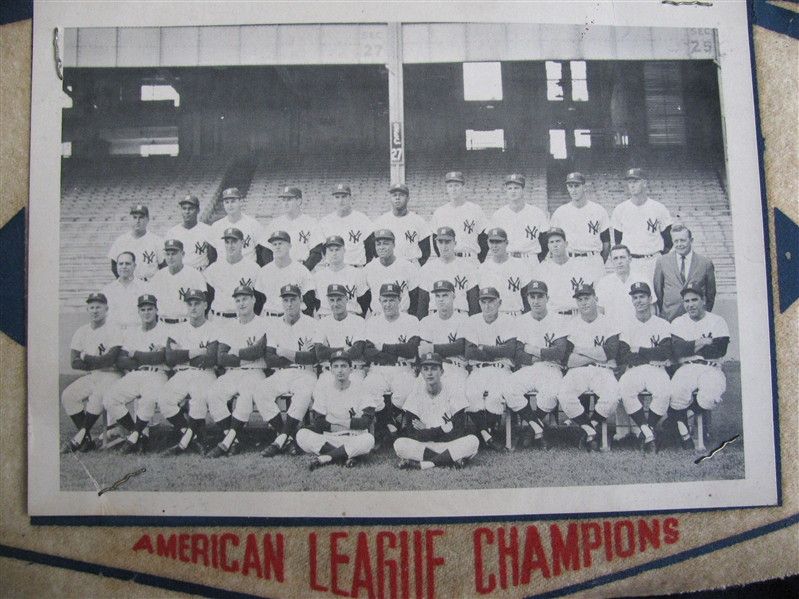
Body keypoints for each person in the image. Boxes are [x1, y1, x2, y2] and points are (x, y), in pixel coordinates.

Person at [501, 281, 570, 449]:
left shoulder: (558, 319)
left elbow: (560, 352)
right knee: (509, 389)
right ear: (527, 299)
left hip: (552, 368)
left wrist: (533, 350)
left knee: (551, 394)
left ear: (547, 298)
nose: (536, 301)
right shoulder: (520, 321)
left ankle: (529, 431)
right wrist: (542, 355)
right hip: (529, 368)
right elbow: (517, 353)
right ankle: (537, 428)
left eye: (540, 296)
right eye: (532, 296)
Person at [102, 294, 171, 454]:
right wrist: (145, 357)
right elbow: (120, 359)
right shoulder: (132, 332)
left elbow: (161, 357)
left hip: (157, 374)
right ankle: (139, 435)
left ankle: (134, 438)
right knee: (109, 399)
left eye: (150, 309)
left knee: (148, 400)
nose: (147, 312)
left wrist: (134, 354)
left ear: (156, 310)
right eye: (143, 309)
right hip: (136, 374)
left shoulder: (165, 330)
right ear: (138, 312)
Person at [557, 284, 622, 451]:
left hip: (602, 371)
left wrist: (579, 351)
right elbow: (568, 360)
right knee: (564, 395)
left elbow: (611, 352)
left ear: (596, 299)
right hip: (578, 371)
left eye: (587, 298)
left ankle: (589, 427)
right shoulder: (570, 324)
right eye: (580, 299)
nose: (583, 303)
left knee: (612, 397)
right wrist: (597, 355)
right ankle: (591, 430)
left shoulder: (609, 322)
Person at [205, 285, 267, 458]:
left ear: (253, 299)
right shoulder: (228, 326)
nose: (241, 303)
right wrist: (246, 355)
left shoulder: (263, 324)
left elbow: (258, 352)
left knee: (246, 395)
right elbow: (221, 358)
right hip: (232, 372)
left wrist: (236, 352)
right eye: (238, 300)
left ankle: (226, 442)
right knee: (214, 394)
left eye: (245, 299)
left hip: (255, 371)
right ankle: (235, 440)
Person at [257, 285, 319, 457]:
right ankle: (289, 438)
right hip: (282, 372)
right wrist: (298, 354)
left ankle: (280, 440)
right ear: (282, 302)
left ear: (301, 301)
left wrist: (284, 352)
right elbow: (270, 359)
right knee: (260, 391)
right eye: (286, 300)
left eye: (293, 299)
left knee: (304, 393)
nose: (290, 304)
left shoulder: (312, 323)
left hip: (305, 372)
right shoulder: (274, 325)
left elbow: (313, 358)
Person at [394, 353, 480, 470]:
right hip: (425, 446)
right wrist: (442, 430)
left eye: (434, 369)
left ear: (442, 372)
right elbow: (413, 434)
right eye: (425, 369)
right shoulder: (415, 396)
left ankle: (425, 464)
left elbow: (458, 432)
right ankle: (450, 460)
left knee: (472, 441)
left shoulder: (453, 394)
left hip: (449, 445)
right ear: (421, 373)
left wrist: (426, 430)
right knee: (400, 444)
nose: (429, 373)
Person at [159, 289, 219, 455]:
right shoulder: (177, 329)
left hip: (204, 372)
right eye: (190, 304)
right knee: (164, 399)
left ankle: (187, 441)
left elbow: (210, 359)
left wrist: (182, 353)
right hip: (182, 373)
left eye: (197, 303)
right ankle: (192, 435)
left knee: (199, 398)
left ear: (205, 305)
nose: (193, 307)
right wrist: (197, 351)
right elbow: (170, 359)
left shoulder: (213, 329)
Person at [669, 286, 730, 449]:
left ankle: (682, 419)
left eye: (694, 300)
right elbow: (677, 350)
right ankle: (683, 431)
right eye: (687, 301)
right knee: (675, 394)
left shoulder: (717, 321)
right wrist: (703, 341)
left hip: (711, 367)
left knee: (710, 396)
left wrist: (690, 346)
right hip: (687, 367)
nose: (691, 304)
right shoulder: (679, 322)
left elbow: (719, 349)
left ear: (703, 300)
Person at [61, 293, 123, 453]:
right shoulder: (81, 331)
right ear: (87, 309)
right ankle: (87, 439)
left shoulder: (113, 329)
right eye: (92, 307)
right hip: (93, 373)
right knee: (68, 395)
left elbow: (110, 360)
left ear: (106, 309)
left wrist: (86, 357)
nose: (95, 311)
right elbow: (74, 362)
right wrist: (96, 362)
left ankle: (79, 437)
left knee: (97, 396)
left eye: (99, 307)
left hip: (113, 374)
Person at [297, 350, 377, 470]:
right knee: (302, 435)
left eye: (344, 366)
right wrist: (350, 423)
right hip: (330, 438)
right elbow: (319, 423)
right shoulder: (324, 391)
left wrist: (335, 420)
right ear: (331, 370)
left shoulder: (361, 389)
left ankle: (327, 457)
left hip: (354, 437)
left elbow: (366, 422)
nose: (340, 370)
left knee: (368, 439)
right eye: (336, 366)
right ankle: (345, 456)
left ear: (351, 369)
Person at [460, 286, 518, 452]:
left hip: (502, 369)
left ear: (499, 302)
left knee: (494, 397)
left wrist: (483, 347)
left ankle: (484, 431)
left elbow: (510, 350)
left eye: (491, 301)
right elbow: (469, 351)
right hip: (479, 370)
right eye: (483, 301)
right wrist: (495, 351)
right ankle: (487, 434)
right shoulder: (473, 321)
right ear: (479, 303)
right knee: (470, 395)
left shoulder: (508, 320)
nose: (487, 305)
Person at [617, 282, 673, 452]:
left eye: (642, 296)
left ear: (650, 299)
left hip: (657, 369)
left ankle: (645, 430)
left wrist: (639, 350)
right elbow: (624, 355)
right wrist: (651, 354)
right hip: (634, 370)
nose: (638, 301)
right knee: (625, 390)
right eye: (635, 297)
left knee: (664, 392)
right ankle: (648, 433)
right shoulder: (626, 324)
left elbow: (665, 353)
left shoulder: (662, 324)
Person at [362, 283, 422, 442]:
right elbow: (368, 352)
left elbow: (411, 350)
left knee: (407, 390)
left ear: (399, 300)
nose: (388, 304)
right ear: (380, 301)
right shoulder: (372, 322)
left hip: (403, 370)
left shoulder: (411, 320)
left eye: (392, 300)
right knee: (368, 388)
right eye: (385, 300)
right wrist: (395, 355)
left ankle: (385, 423)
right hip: (378, 370)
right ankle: (389, 424)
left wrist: (383, 348)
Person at [611, 168, 673, 280]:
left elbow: (668, 240)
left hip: (653, 260)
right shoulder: (620, 209)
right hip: (631, 262)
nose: (632, 185)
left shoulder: (658, 208)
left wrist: (657, 256)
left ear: (644, 183)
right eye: (630, 182)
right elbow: (618, 240)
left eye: (635, 181)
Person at [549, 172, 611, 282]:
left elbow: (606, 243)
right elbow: (553, 241)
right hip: (570, 259)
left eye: (577, 186)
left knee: (596, 296)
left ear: (584, 187)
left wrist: (599, 261)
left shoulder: (598, 210)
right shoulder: (560, 212)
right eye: (570, 186)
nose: (573, 190)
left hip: (593, 260)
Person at [653, 224, 717, 322]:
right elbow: (658, 291)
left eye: (683, 240)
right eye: (676, 241)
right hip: (670, 318)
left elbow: (710, 294)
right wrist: (665, 312)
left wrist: (703, 314)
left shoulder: (705, 263)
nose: (679, 244)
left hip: (696, 319)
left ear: (691, 240)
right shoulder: (662, 261)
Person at [313, 284, 368, 387]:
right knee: (319, 394)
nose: (335, 304)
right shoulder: (322, 323)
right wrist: (345, 349)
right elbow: (320, 353)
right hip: (329, 372)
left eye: (339, 299)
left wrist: (329, 350)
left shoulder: (358, 321)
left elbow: (357, 351)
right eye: (332, 300)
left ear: (346, 299)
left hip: (353, 371)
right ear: (328, 301)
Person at [418, 227, 479, 317]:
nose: (444, 246)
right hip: (435, 316)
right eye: (440, 242)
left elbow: (473, 303)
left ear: (455, 243)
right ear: (436, 244)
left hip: (460, 316)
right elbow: (423, 304)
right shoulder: (427, 269)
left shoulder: (468, 267)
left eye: (447, 242)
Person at [418, 280, 469, 387]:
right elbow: (423, 352)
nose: (441, 299)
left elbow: (460, 347)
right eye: (438, 296)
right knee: (418, 391)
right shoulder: (426, 321)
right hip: (433, 369)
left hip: (456, 368)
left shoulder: (464, 320)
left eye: (445, 295)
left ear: (453, 297)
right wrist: (447, 348)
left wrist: (432, 348)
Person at [203, 227, 263, 320]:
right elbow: (208, 296)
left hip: (241, 319)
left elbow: (259, 298)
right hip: (218, 318)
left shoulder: (254, 268)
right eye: (227, 242)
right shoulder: (213, 268)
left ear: (242, 243)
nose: (230, 246)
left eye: (234, 242)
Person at [535, 228, 596, 316]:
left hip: (576, 315)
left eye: (558, 241)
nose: (555, 245)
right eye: (551, 242)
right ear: (548, 246)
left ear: (566, 244)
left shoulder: (581, 266)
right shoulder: (541, 269)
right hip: (553, 316)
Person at [476, 227, 536, 316]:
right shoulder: (482, 268)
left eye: (498, 242)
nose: (494, 246)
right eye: (491, 242)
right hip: (492, 317)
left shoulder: (520, 265)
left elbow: (527, 297)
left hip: (514, 315)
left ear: (506, 243)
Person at [260, 186, 324, 270]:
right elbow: (265, 250)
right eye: (283, 200)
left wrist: (303, 270)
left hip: (302, 266)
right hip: (279, 268)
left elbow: (316, 252)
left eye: (289, 199)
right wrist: (273, 269)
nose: (285, 203)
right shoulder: (275, 223)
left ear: (299, 201)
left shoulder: (311, 222)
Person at [488, 174, 548, 263]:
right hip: (507, 259)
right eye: (510, 188)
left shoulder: (536, 213)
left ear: (523, 190)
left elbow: (545, 240)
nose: (513, 191)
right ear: (506, 191)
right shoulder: (498, 214)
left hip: (529, 259)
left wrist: (538, 258)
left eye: (516, 188)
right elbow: (491, 241)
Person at [429, 172, 487, 263]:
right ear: (447, 188)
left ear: (463, 187)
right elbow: (435, 239)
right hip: (448, 260)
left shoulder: (475, 209)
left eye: (457, 185)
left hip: (469, 258)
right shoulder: (440, 212)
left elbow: (484, 238)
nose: (453, 189)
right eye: (450, 186)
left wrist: (479, 259)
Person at [254, 231, 315, 318]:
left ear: (289, 246)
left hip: (292, 319)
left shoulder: (301, 270)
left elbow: (309, 301)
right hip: (271, 318)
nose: (277, 247)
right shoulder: (264, 271)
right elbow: (259, 301)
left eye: (280, 243)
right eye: (274, 244)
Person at [149, 239, 206, 326]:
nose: (170, 257)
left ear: (183, 254)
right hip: (163, 324)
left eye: (174, 254)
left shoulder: (194, 275)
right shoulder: (158, 276)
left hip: (185, 323)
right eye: (167, 254)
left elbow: (203, 302)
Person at [371, 183, 432, 265]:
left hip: (411, 263)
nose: (397, 198)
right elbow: (374, 248)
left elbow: (426, 250)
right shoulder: (381, 221)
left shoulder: (418, 221)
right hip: (389, 265)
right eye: (394, 195)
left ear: (408, 198)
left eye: (401, 195)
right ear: (390, 198)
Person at [363, 229, 419, 316]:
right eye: (378, 244)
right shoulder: (368, 268)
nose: (381, 247)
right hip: (378, 316)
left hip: (402, 315)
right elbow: (365, 298)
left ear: (394, 244)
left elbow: (415, 298)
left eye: (385, 243)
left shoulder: (408, 267)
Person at [595, 244, 654, 326]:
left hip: (638, 328)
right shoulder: (604, 283)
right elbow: (599, 311)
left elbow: (652, 308)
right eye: (615, 258)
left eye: (622, 257)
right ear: (611, 261)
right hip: (613, 330)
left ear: (630, 259)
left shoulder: (642, 278)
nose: (619, 262)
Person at [312, 235, 369, 318]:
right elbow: (316, 302)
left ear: (344, 250)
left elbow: (364, 301)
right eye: (331, 250)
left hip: (350, 316)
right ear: (326, 253)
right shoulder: (317, 276)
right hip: (326, 317)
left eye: (337, 250)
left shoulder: (357, 274)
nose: (334, 253)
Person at [317, 183, 373, 267]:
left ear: (350, 198)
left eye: (344, 197)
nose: (340, 200)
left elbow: (370, 248)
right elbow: (321, 249)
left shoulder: (363, 219)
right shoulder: (325, 221)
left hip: (355, 268)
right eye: (337, 197)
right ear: (333, 199)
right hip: (333, 270)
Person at [107, 204, 164, 281]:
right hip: (130, 284)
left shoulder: (157, 241)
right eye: (134, 217)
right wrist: (124, 281)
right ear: (130, 219)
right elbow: (114, 266)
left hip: (150, 284)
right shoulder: (121, 240)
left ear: (148, 219)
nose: (137, 221)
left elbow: (163, 266)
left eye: (141, 218)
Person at [208, 188, 263, 263]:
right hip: (224, 269)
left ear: (241, 202)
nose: (230, 205)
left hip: (247, 269)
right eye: (227, 202)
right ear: (223, 204)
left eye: (233, 201)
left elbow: (262, 253)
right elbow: (212, 255)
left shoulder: (253, 224)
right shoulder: (216, 226)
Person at [165, 194, 217, 271]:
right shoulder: (172, 232)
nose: (187, 212)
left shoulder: (207, 230)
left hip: (201, 272)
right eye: (184, 208)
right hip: (181, 273)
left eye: (190, 209)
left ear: (198, 211)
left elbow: (214, 256)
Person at [101, 251, 151, 330]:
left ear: (134, 266)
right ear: (117, 266)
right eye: (121, 264)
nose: (124, 267)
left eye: (127, 263)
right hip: (114, 333)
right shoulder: (108, 290)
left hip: (136, 332)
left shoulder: (145, 288)